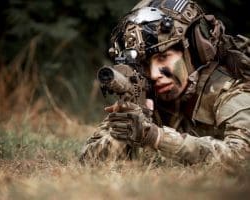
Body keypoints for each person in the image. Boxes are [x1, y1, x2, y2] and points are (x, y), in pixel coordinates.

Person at [79, 0, 250, 166]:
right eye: (145, 64)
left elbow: (241, 158)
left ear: (192, 50)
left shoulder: (233, 89)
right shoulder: (147, 92)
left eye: (163, 58)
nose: (154, 74)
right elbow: (89, 162)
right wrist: (125, 131)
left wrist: (156, 136)